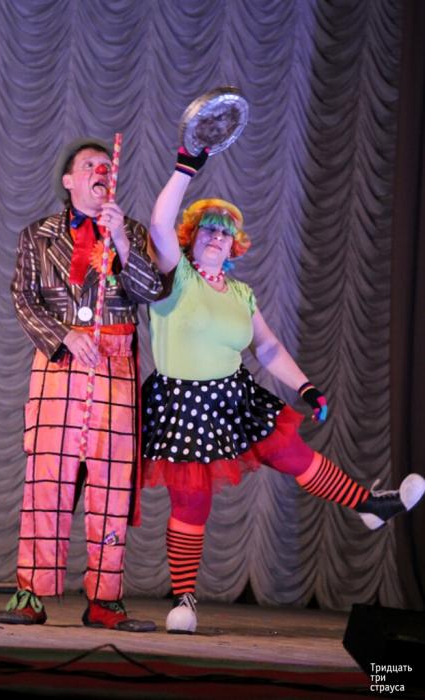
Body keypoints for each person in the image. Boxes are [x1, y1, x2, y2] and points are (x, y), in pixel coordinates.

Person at [141, 147, 425, 634]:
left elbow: (268, 348)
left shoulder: (240, 294)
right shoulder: (177, 276)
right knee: (191, 501)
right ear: (191, 238)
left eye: (225, 232)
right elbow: (158, 224)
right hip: (183, 406)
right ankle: (185, 599)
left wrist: (306, 387)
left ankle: (371, 506)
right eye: (208, 229)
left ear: (235, 246)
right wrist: (186, 167)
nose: (216, 236)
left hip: (234, 399)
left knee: (294, 455)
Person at [0, 137, 161, 631]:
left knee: (111, 485)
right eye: (89, 164)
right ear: (69, 181)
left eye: (105, 164)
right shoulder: (38, 235)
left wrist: (122, 241)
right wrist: (64, 336)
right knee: (48, 480)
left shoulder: (131, 231)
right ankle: (31, 593)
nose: (99, 170)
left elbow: (153, 291)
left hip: (115, 367)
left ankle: (106, 600)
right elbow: (23, 297)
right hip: (60, 364)